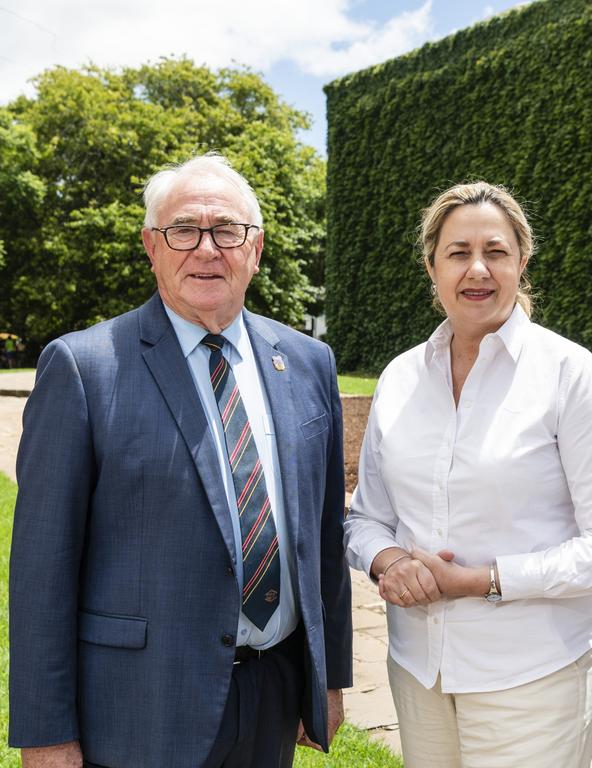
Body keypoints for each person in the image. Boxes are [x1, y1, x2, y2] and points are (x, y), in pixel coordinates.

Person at [8, 153, 352, 768]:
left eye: (226, 230)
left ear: (257, 247)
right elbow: (42, 570)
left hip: (271, 694)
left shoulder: (307, 362)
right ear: (151, 246)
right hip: (141, 707)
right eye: (183, 231)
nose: (206, 249)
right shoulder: (85, 368)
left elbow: (324, 539)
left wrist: (327, 676)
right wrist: (45, 733)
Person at [344, 181, 592, 768]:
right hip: (419, 671)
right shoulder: (402, 378)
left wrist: (485, 579)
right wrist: (390, 562)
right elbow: (366, 519)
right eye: (458, 253)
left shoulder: (566, 371)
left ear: (521, 262)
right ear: (431, 265)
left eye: (496, 252)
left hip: (534, 676)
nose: (477, 269)